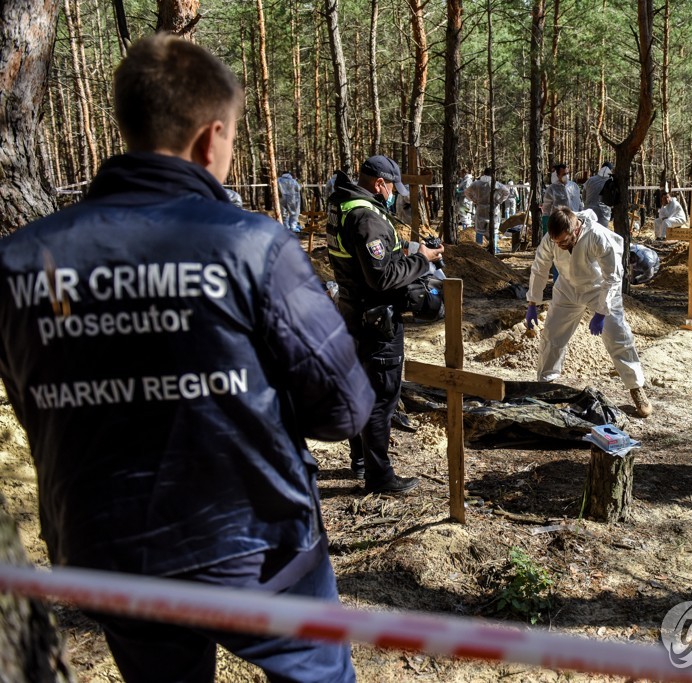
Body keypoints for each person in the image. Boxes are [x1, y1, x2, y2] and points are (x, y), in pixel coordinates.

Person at [0, 34, 372, 682]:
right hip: (257, 549)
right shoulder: (254, 246)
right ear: (211, 138)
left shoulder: (20, 261)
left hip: (108, 554)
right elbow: (346, 405)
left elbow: (35, 401)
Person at [326, 155, 445, 495]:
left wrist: (411, 249)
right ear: (380, 184)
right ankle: (379, 477)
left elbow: (373, 255)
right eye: (393, 187)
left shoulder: (344, 206)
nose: (395, 193)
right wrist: (422, 261)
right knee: (381, 398)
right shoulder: (365, 217)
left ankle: (361, 462)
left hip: (351, 313)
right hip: (376, 321)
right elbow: (382, 276)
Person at [525, 207, 653, 418]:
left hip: (599, 288)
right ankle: (544, 387)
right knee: (552, 335)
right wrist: (532, 302)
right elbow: (540, 268)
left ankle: (636, 387)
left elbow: (613, 277)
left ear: (576, 229)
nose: (560, 246)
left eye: (564, 241)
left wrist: (602, 312)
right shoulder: (551, 239)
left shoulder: (597, 236)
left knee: (618, 336)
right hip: (566, 288)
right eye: (557, 242)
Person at [464, 168, 511, 250]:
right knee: (494, 230)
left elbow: (467, 192)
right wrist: (499, 200)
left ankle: (478, 249)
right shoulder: (495, 184)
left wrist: (474, 200)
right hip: (493, 209)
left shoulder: (477, 183)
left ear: (483, 173)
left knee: (479, 230)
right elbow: (506, 191)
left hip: (481, 208)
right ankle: (494, 248)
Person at [541, 163, 582, 234]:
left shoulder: (574, 186)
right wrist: (546, 222)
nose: (566, 176)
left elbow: (579, 202)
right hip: (560, 222)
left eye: (567, 173)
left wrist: (581, 215)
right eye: (563, 174)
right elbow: (547, 207)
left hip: (575, 220)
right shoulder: (552, 189)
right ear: (558, 175)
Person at [583, 162, 614, 227]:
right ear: (610, 170)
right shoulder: (611, 182)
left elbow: (584, 196)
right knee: (602, 235)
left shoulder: (590, 180)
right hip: (603, 214)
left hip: (589, 212)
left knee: (588, 233)